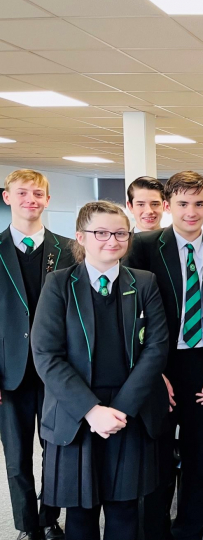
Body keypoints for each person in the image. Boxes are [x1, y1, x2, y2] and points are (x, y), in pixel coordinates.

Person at [31, 201, 169, 540]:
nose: (112, 240)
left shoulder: (145, 282)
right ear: (81, 236)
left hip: (129, 412)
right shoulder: (59, 284)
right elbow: (47, 354)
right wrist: (92, 411)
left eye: (121, 232)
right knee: (81, 514)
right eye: (102, 232)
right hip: (76, 415)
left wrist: (119, 410)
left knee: (125, 512)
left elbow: (156, 348)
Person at [123, 171, 203, 540]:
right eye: (183, 204)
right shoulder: (142, 245)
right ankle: (154, 530)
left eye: (199, 204)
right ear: (169, 205)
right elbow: (134, 315)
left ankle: (190, 528)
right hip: (159, 365)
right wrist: (152, 371)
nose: (191, 212)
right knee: (156, 454)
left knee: (198, 454)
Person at [0, 169, 71, 540]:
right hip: (9, 373)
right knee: (16, 459)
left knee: (57, 451)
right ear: (7, 197)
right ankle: (28, 526)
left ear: (47, 199)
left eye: (38, 193)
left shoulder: (67, 250)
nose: (31, 199)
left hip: (57, 372)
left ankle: (50, 518)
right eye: (23, 193)